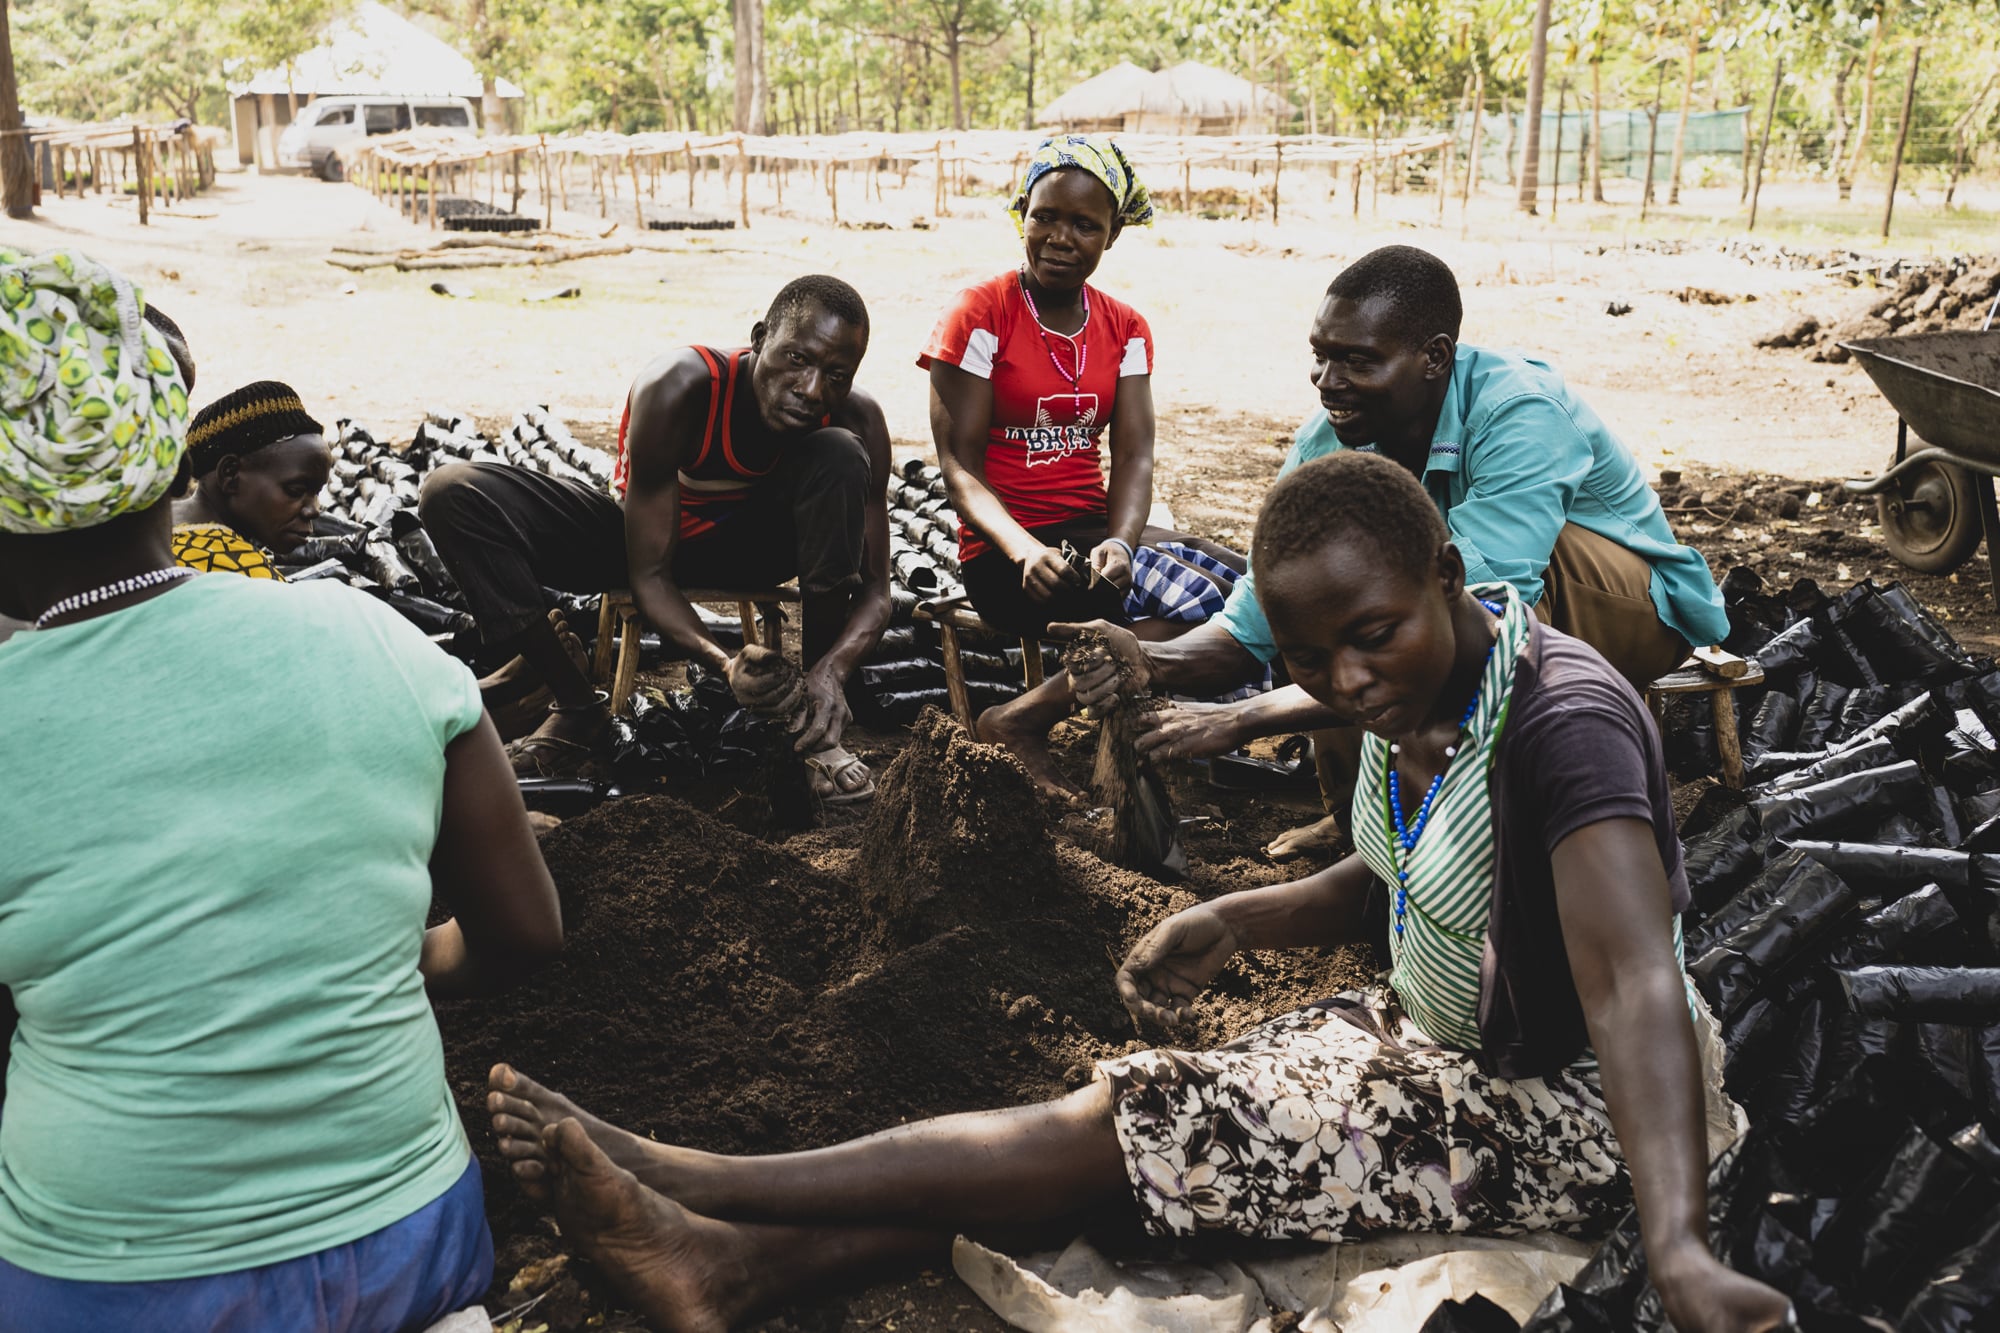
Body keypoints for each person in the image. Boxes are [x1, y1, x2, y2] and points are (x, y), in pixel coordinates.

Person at [478, 452, 1793, 1333]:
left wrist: (1678, 1244)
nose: (1341, 682)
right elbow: (1409, 869)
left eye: (1371, 636)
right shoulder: (1427, 685)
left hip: (1569, 1111)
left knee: (1123, 1130)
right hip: (1437, 1044)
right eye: (1311, 657)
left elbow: (1627, 986)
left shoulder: (1565, 727)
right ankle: (728, 1263)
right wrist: (1240, 913)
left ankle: (703, 1180)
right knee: (1135, 1138)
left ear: (1448, 577)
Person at [0, 247, 565, 1332]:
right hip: (414, 1235)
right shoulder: (365, 634)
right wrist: (389, 947)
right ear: (170, 459)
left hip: (117, 1278)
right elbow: (527, 932)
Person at [1064, 244, 1729, 858]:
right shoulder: (1327, 440)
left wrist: (1240, 718)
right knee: (1336, 592)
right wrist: (1149, 660)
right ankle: (1365, 827)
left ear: (1434, 357)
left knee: (1476, 596)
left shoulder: (1518, 412)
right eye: (1321, 355)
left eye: (1358, 360)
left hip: (1632, 610)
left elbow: (1488, 629)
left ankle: (1493, 832)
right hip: (1489, 604)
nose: (1328, 380)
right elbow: (1251, 625)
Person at [420, 275, 893, 799]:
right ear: (760, 338)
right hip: (643, 547)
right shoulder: (680, 387)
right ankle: (578, 708)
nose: (811, 390)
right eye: (797, 360)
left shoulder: (858, 420)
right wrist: (725, 663)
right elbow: (650, 576)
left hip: (757, 551)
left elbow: (876, 591)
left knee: (841, 454)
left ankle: (812, 725)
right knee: (452, 493)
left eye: (836, 374)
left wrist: (832, 672)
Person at [922, 134, 1249, 796]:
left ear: (1114, 232)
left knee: (1241, 579)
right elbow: (959, 470)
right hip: (1004, 554)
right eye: (1044, 216)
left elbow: (1133, 453)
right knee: (1181, 599)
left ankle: (1029, 714)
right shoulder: (981, 313)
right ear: (1022, 214)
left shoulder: (1124, 327)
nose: (1060, 237)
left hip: (1088, 534)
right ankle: (1021, 723)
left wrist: (1124, 543)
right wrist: (1020, 550)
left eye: (1084, 224)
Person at [170, 379, 334, 578]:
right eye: (296, 491)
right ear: (230, 475)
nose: (314, 510)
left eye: (316, 493)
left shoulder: (152, 530)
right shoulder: (243, 574)